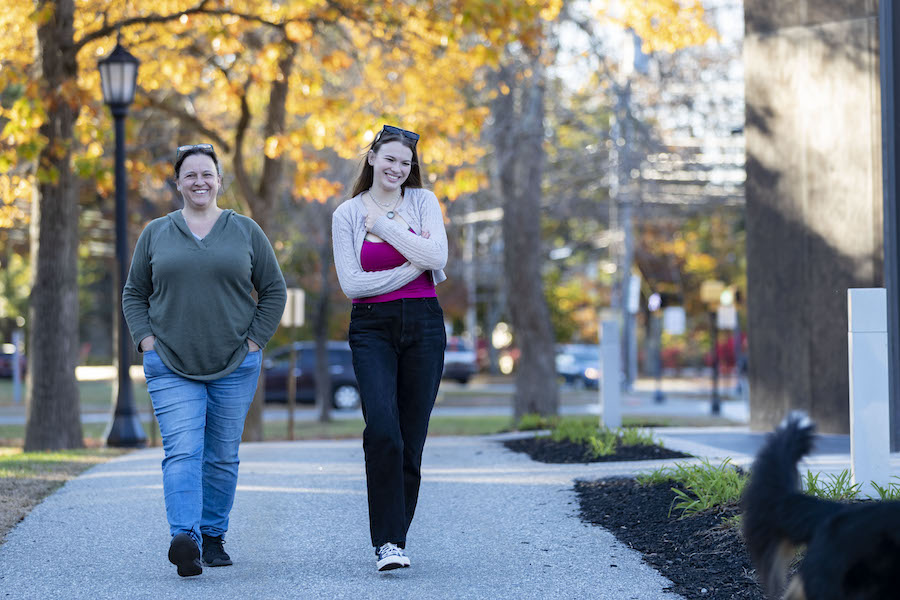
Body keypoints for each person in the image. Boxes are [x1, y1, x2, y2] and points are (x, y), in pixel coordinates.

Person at [122, 143, 286, 577]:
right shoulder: (156, 232)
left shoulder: (245, 230)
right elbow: (134, 293)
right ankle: (186, 539)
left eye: (206, 174)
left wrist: (254, 341)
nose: (199, 181)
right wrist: (146, 341)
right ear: (178, 182)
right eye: (189, 174)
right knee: (182, 450)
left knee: (221, 455)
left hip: (236, 363)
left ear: (219, 180)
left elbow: (273, 290)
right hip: (170, 363)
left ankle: (213, 536)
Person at [332, 125, 448, 571]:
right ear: (372, 158)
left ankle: (394, 542)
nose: (398, 168)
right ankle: (387, 540)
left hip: (424, 325)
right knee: (383, 429)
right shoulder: (346, 214)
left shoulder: (424, 202)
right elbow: (353, 284)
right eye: (390, 159)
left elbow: (438, 259)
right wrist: (415, 262)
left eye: (406, 163)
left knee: (411, 438)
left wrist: (383, 228)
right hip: (371, 328)